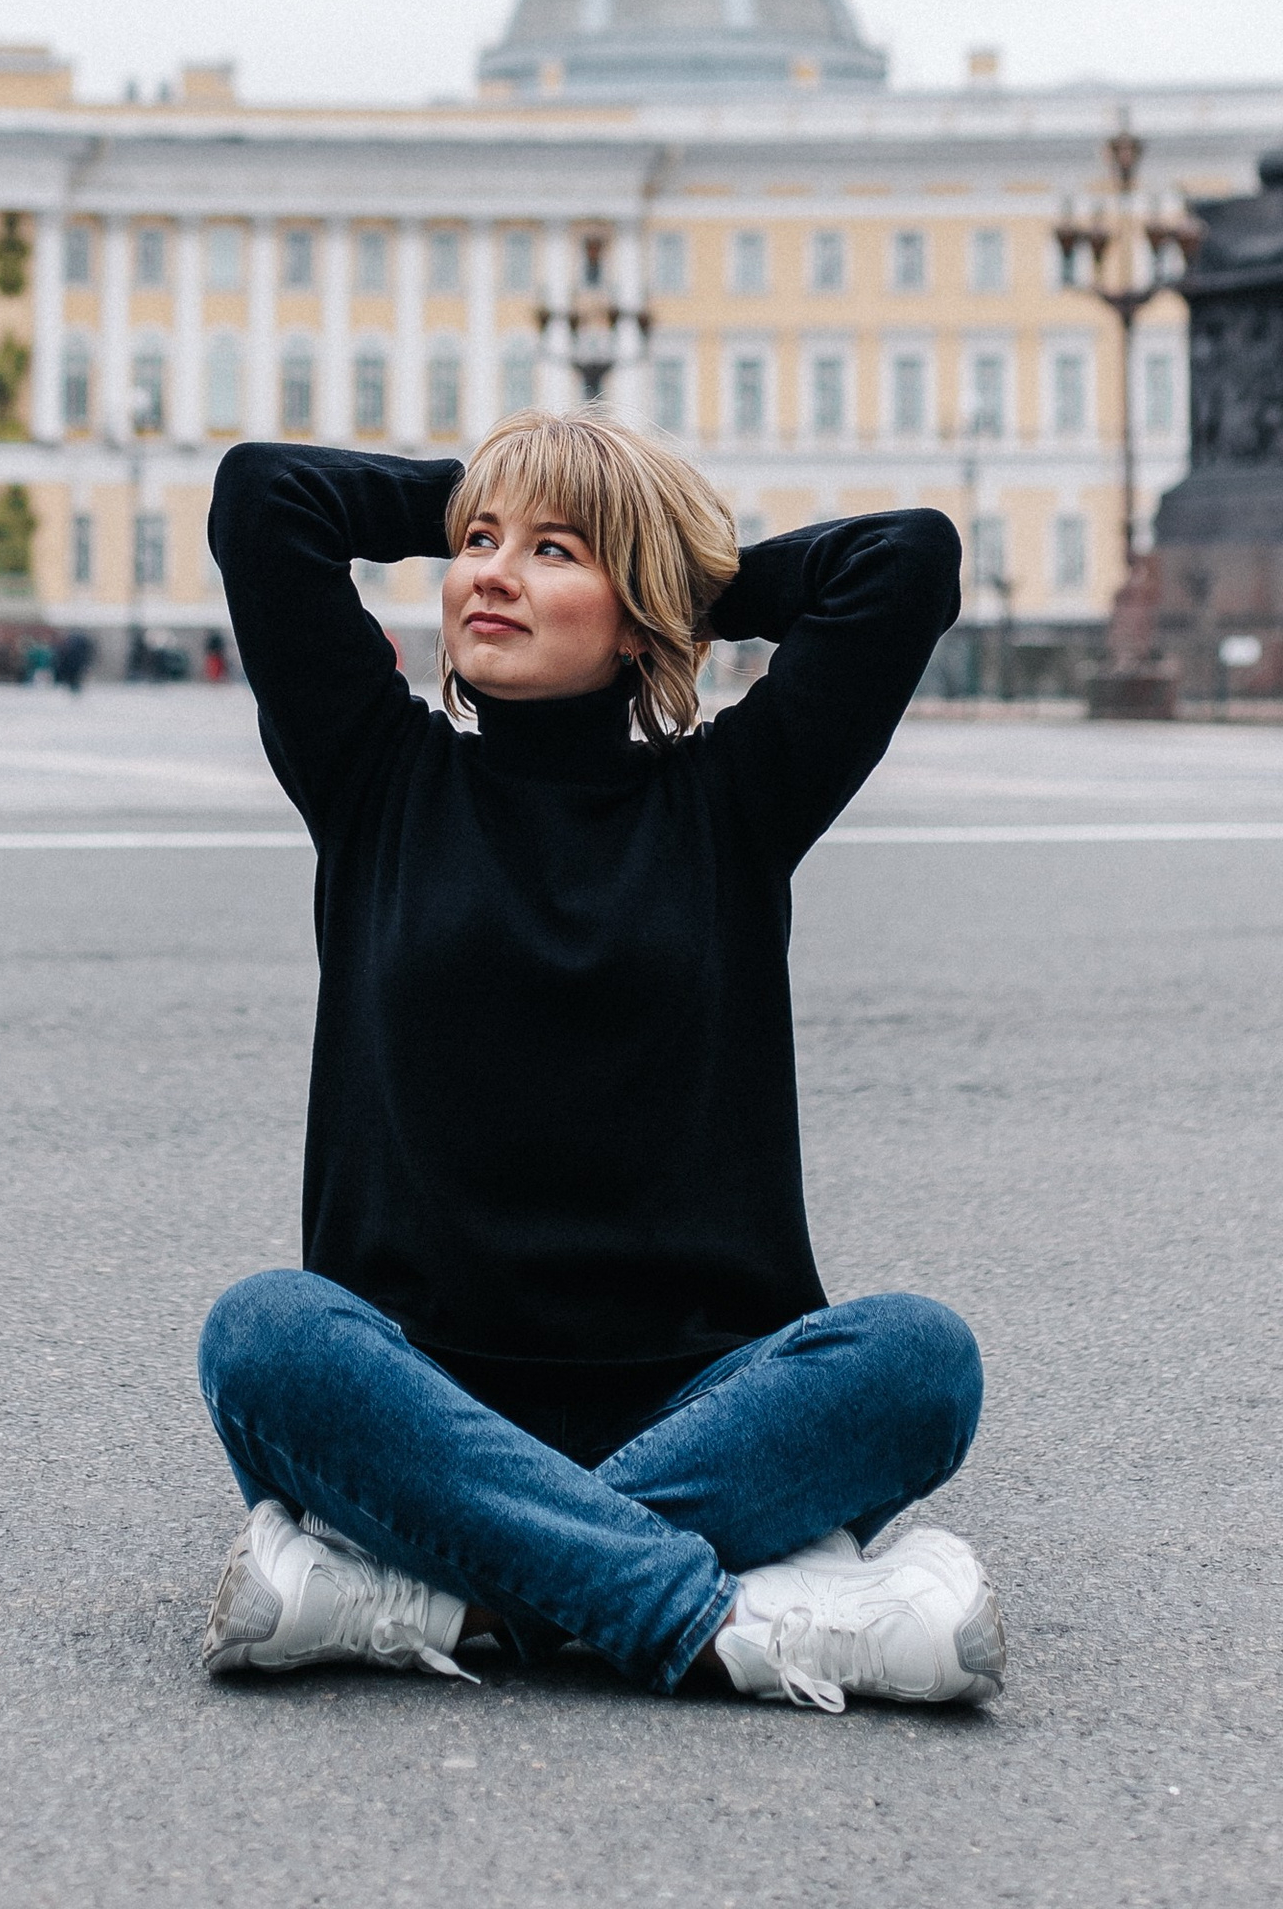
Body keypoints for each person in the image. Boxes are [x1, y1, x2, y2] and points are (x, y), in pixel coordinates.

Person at [194, 411, 1000, 1716]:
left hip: (709, 1404)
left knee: (920, 1362)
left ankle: (451, 1588)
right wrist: (505, 496)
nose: (490, 574)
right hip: (422, 1399)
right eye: (475, 545)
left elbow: (903, 560)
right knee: (267, 1337)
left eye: (552, 552)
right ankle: (717, 1620)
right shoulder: (376, 776)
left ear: (638, 617)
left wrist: (665, 554)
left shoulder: (733, 803)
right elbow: (264, 494)